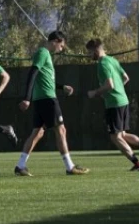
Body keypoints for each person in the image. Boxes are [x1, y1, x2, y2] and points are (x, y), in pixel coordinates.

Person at [14, 31, 89, 177]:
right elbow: (32, 73)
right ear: (55, 41)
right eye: (61, 46)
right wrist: (27, 98)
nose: (61, 49)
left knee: (37, 132)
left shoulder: (46, 55)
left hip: (41, 99)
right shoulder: (43, 53)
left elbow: (45, 79)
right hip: (47, 99)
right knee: (61, 130)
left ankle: (20, 166)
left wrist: (62, 87)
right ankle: (69, 166)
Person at [85, 39, 139, 170]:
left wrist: (95, 93)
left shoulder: (102, 64)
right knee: (123, 135)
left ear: (96, 50)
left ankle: (137, 164)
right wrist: (117, 89)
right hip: (123, 101)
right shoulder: (112, 60)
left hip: (114, 104)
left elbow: (109, 85)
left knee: (115, 137)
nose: (89, 55)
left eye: (90, 52)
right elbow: (126, 78)